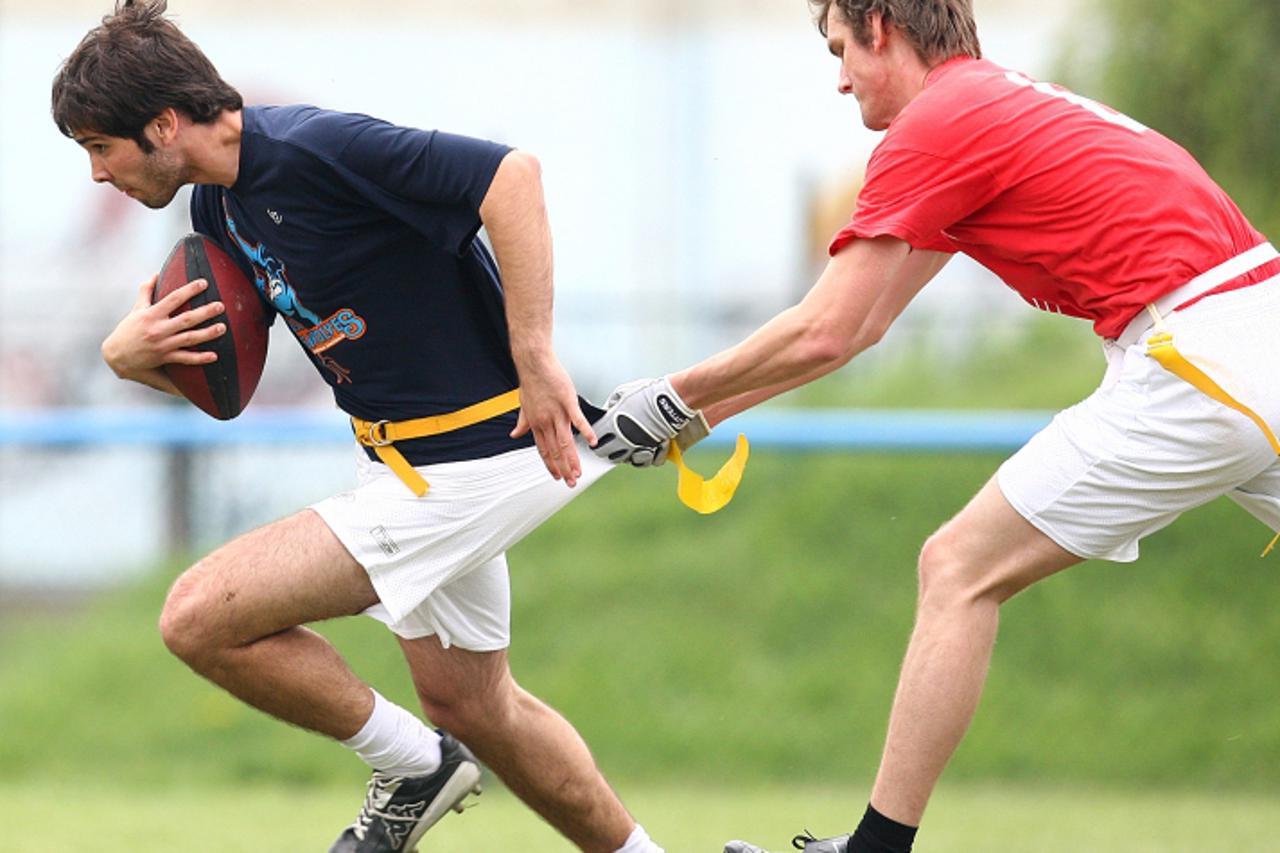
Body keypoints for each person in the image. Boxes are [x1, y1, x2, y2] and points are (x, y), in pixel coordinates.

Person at [589, 1, 1280, 851]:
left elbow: (825, 325)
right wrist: (691, 419)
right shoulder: (985, 108)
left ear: (882, 26)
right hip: (1256, 328)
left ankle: (878, 848)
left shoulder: (936, 125)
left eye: (841, 49)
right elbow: (863, 327)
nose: (839, 77)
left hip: (1195, 357)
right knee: (961, 567)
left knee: (957, 567)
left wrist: (670, 391)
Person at [51, 3, 668, 852]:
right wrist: (133, 359)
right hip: (401, 467)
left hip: (471, 459)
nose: (95, 174)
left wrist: (535, 356)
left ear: (162, 124)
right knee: (479, 707)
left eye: (98, 148)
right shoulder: (217, 215)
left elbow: (511, 178)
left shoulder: (315, 148)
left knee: (196, 616)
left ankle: (416, 766)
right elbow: (224, 390)